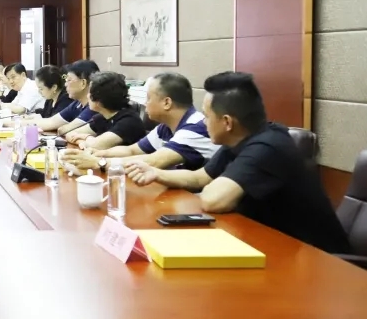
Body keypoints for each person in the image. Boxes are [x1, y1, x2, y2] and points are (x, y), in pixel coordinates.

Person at [126, 72, 350, 253]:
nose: (203, 122)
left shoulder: (269, 146)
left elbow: (213, 201)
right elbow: (199, 177)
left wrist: (210, 188)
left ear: (227, 122)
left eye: (206, 116)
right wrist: (155, 173)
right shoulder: (237, 139)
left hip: (316, 260)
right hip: (270, 244)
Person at [66, 72, 218, 172]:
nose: (145, 103)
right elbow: (132, 150)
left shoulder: (194, 128)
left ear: (167, 103)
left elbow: (154, 161)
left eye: (148, 98)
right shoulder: (165, 127)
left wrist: (99, 162)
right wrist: (98, 153)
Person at [62, 71, 146, 151]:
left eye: (89, 93)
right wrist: (81, 142)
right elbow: (70, 134)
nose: (87, 96)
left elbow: (96, 145)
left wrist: (87, 137)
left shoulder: (129, 121)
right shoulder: (102, 117)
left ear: (99, 100)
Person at [26, 60, 99, 134]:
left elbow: (68, 131)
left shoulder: (95, 106)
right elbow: (51, 122)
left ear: (83, 83)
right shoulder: (77, 104)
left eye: (69, 80)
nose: (65, 84)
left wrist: (64, 128)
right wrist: (20, 122)